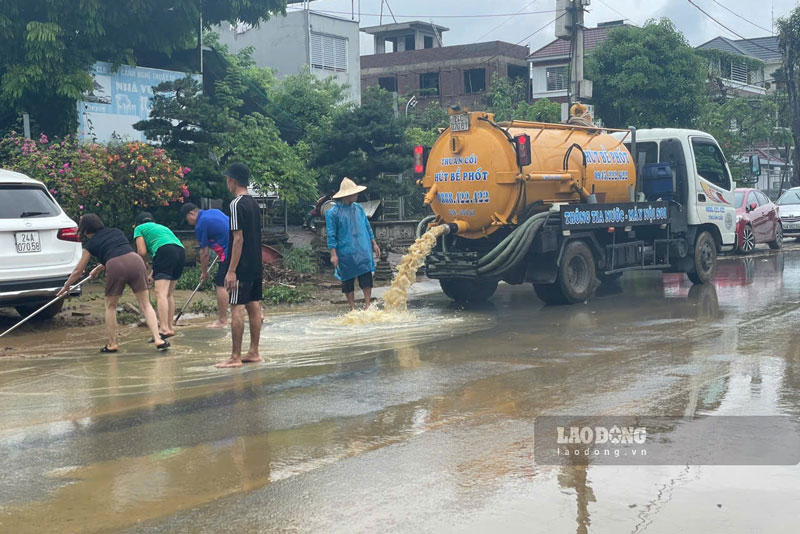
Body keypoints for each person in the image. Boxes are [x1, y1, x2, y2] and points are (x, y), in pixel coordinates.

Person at [58, 214, 169, 352]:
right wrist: (99, 268)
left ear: (85, 230)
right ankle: (158, 339)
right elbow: (119, 251)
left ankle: (112, 344)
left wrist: (67, 285)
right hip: (135, 261)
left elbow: (78, 271)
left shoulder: (90, 244)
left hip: (115, 266)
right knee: (146, 304)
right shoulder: (116, 231)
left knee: (110, 307)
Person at [216, 163, 263, 368]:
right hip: (255, 264)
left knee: (237, 308)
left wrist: (231, 270)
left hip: (241, 266)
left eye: (227, 179)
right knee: (254, 306)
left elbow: (238, 239)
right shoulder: (253, 204)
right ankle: (253, 351)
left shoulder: (236, 205)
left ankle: (235, 357)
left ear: (233, 181)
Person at [326, 177, 380, 311]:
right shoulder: (333, 213)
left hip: (362, 248)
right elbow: (331, 234)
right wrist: (333, 254)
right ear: (347, 195)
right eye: (355, 193)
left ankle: (368, 305)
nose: (357, 195)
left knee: (366, 276)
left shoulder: (358, 208)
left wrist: (374, 243)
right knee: (347, 279)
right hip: (345, 251)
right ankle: (352, 308)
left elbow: (367, 226)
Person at [133, 212, 186, 339]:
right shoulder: (162, 228)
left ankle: (163, 328)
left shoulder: (139, 229)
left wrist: (143, 265)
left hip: (164, 251)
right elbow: (163, 254)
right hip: (180, 251)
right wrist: (152, 273)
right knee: (168, 294)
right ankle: (170, 327)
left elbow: (142, 251)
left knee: (160, 293)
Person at [180, 203, 230, 328]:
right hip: (239, 248)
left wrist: (204, 272)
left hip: (228, 252)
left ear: (192, 213)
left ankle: (223, 320)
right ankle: (258, 313)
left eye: (188, 220)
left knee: (221, 283)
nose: (190, 224)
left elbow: (204, 253)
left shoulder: (200, 224)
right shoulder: (214, 211)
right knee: (237, 282)